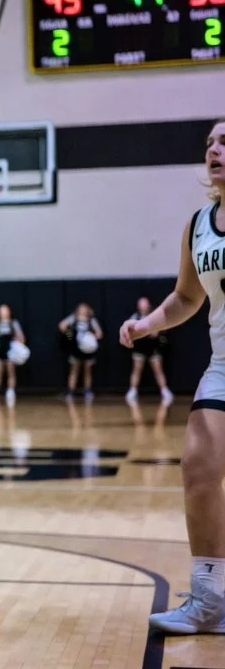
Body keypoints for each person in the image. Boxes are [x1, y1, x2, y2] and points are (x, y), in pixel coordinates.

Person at [121, 119, 225, 636]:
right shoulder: (200, 222)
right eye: (210, 143)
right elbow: (187, 297)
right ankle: (209, 600)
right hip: (223, 367)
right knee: (199, 470)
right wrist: (146, 324)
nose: (214, 150)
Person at [125, 296, 174, 412]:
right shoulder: (135, 317)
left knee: (158, 370)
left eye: (144, 304)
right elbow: (130, 332)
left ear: (148, 305)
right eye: (140, 304)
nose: (142, 306)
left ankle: (164, 390)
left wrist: (154, 332)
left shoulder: (154, 316)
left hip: (152, 347)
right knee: (137, 369)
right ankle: (132, 391)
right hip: (140, 348)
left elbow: (159, 332)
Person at [0, 305, 25, 409]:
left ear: (9, 312)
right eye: (1, 311)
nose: (3, 313)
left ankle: (10, 391)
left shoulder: (13, 323)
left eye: (5, 310)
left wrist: (18, 343)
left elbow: (20, 337)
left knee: (11, 371)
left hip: (10, 350)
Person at [59, 303, 102, 401]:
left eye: (84, 309)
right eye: (80, 309)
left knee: (88, 370)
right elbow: (62, 326)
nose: (82, 310)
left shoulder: (91, 320)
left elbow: (99, 334)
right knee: (74, 370)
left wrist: (91, 336)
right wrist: (70, 336)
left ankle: (87, 391)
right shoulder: (73, 318)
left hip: (88, 350)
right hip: (76, 349)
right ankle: (70, 392)